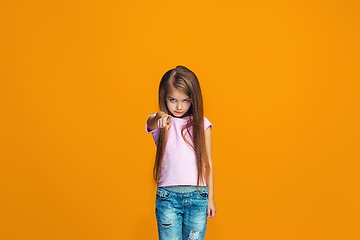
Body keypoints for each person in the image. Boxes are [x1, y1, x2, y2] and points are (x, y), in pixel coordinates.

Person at [145, 65, 216, 240]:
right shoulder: (162, 123)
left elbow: (208, 164)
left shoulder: (202, 124)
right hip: (168, 198)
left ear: (193, 99)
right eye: (172, 100)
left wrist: (211, 198)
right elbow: (153, 121)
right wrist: (161, 116)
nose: (178, 106)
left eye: (185, 100)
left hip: (198, 196)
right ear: (164, 97)